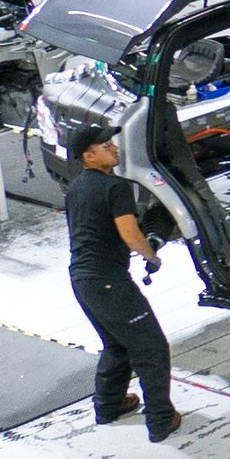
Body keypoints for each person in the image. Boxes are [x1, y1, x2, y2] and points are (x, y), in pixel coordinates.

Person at [62, 123, 179, 440]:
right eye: (105, 145)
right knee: (151, 348)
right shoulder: (116, 188)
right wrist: (152, 256)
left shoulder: (75, 189)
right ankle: (160, 420)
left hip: (83, 281)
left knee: (116, 344)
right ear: (89, 155)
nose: (113, 148)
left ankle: (109, 405)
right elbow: (129, 234)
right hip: (108, 282)